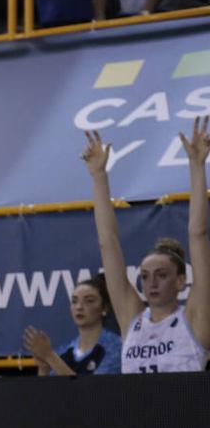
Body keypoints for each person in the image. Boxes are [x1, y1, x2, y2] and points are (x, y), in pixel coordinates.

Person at [81, 121, 210, 373]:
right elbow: (108, 242)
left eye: (162, 275)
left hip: (184, 413)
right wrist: (99, 176)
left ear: (180, 281)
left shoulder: (195, 319)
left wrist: (197, 166)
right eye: (145, 276)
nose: (151, 283)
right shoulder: (132, 318)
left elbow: (197, 233)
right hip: (138, 413)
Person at [23, 275, 122, 376]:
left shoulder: (116, 347)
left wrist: (50, 356)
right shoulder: (64, 352)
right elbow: (44, 391)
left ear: (104, 308)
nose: (79, 307)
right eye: (74, 301)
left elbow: (92, 390)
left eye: (89, 301)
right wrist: (44, 369)